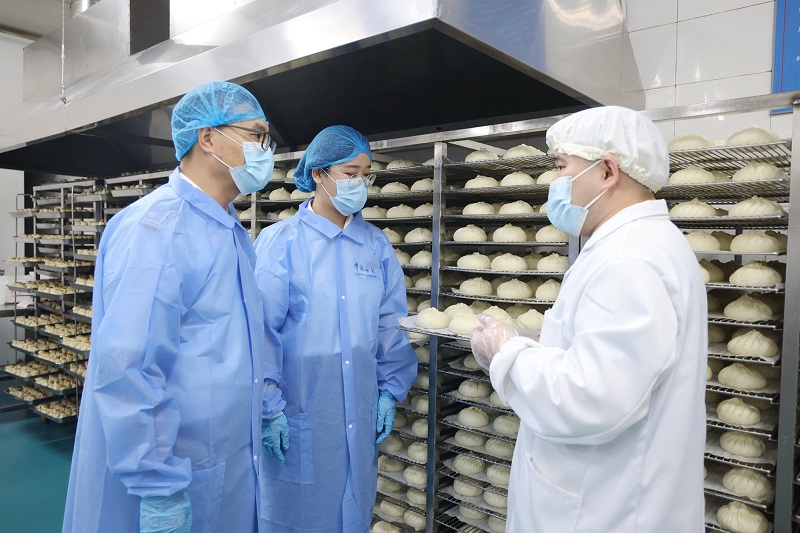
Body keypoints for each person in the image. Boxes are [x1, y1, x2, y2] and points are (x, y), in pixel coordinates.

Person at [62, 81, 288, 533]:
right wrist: (157, 484)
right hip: (174, 470)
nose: (266, 151)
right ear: (208, 138)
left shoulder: (228, 229)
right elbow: (128, 367)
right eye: (256, 135)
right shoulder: (158, 228)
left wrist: (266, 405)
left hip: (224, 457)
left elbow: (243, 336)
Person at [470, 106, 707, 532]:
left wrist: (507, 353)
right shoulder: (643, 244)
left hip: (604, 511)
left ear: (608, 171)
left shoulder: (628, 259)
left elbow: (591, 398)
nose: (554, 181)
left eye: (561, 166)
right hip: (617, 495)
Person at [254, 125, 417, 533]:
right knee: (297, 519)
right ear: (318, 174)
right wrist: (268, 407)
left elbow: (389, 324)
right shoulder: (281, 243)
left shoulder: (375, 245)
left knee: (353, 515)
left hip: (359, 415)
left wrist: (389, 390)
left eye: (367, 174)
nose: (360, 183)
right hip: (298, 416)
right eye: (350, 173)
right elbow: (259, 333)